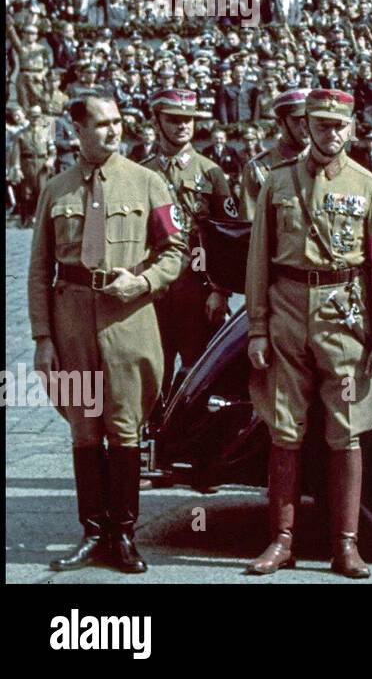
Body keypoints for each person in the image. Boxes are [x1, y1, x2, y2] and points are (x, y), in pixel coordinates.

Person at [244, 89, 372, 578]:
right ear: (304, 127)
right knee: (284, 426)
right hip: (288, 309)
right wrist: (256, 328)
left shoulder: (371, 187)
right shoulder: (277, 184)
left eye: (339, 125)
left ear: (352, 128)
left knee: (346, 427)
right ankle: (282, 541)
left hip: (344, 314)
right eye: (320, 125)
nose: (330, 134)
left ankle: (345, 545)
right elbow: (258, 260)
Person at [29, 90, 187, 572]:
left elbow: (175, 252)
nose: (113, 130)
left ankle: (123, 535)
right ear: (76, 131)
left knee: (124, 428)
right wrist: (43, 339)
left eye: (117, 121)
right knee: (84, 428)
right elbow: (39, 271)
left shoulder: (147, 183)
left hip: (128, 321)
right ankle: (91, 532)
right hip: (72, 321)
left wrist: (142, 281)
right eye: (100, 124)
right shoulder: (56, 190)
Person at [140, 89, 236, 405]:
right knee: (152, 371)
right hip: (153, 289)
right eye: (174, 119)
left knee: (200, 373)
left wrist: (220, 291)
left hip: (198, 289)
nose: (183, 126)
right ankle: (151, 440)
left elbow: (229, 236)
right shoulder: (140, 173)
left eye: (188, 120)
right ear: (156, 121)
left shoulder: (211, 172)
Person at [237, 89, 309, 219]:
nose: (305, 127)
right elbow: (249, 226)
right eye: (297, 121)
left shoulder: (324, 161)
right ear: (280, 122)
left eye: (309, 120)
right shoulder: (258, 169)